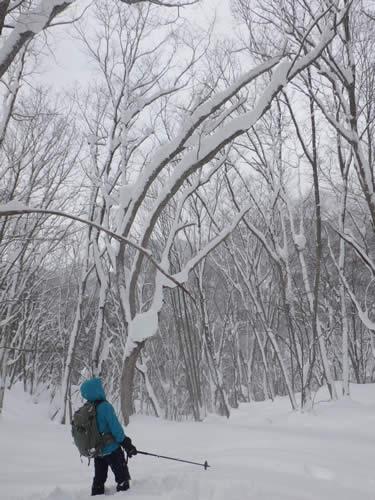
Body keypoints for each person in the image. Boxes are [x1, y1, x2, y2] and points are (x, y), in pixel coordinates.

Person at [80, 377, 138, 496]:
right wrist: (126, 443)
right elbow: (115, 428)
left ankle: (96, 495)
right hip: (112, 450)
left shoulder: (87, 408)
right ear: (98, 390)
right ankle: (125, 495)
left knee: (99, 478)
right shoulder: (104, 407)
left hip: (97, 450)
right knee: (122, 476)